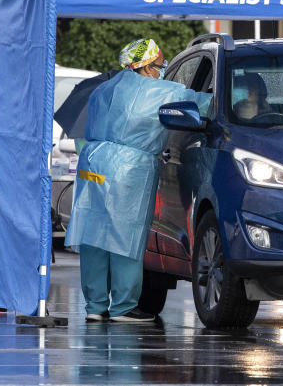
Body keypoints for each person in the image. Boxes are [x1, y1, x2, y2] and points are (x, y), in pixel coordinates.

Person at [65, 38, 209, 323]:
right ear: (145, 66)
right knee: (126, 235)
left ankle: (94, 306)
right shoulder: (162, 91)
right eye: (159, 64)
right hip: (129, 168)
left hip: (92, 163)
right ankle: (123, 306)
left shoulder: (103, 88)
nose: (162, 69)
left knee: (94, 235)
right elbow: (204, 104)